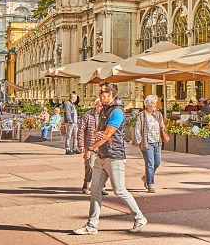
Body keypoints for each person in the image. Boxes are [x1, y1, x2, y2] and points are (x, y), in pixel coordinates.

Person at [72, 82, 146, 235]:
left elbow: (107, 134)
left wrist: (91, 148)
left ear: (112, 94)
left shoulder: (117, 112)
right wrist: (96, 135)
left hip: (114, 156)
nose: (100, 94)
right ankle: (92, 225)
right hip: (102, 155)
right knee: (95, 190)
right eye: (100, 91)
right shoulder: (103, 111)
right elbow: (98, 131)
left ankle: (139, 217)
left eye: (103, 92)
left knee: (119, 190)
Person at [134, 95, 170, 193]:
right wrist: (140, 142)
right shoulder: (141, 116)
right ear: (148, 105)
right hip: (147, 143)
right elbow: (137, 129)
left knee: (157, 162)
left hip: (157, 142)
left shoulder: (158, 114)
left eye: (155, 104)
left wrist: (164, 134)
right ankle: (150, 184)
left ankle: (146, 177)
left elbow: (162, 126)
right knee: (150, 163)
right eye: (153, 104)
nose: (155, 106)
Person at [77, 98, 107, 195]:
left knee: (103, 167)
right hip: (90, 145)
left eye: (102, 105)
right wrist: (81, 144)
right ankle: (86, 184)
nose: (101, 107)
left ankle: (101, 186)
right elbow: (81, 129)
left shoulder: (106, 115)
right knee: (90, 166)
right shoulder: (88, 115)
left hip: (102, 145)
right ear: (96, 105)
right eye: (99, 105)